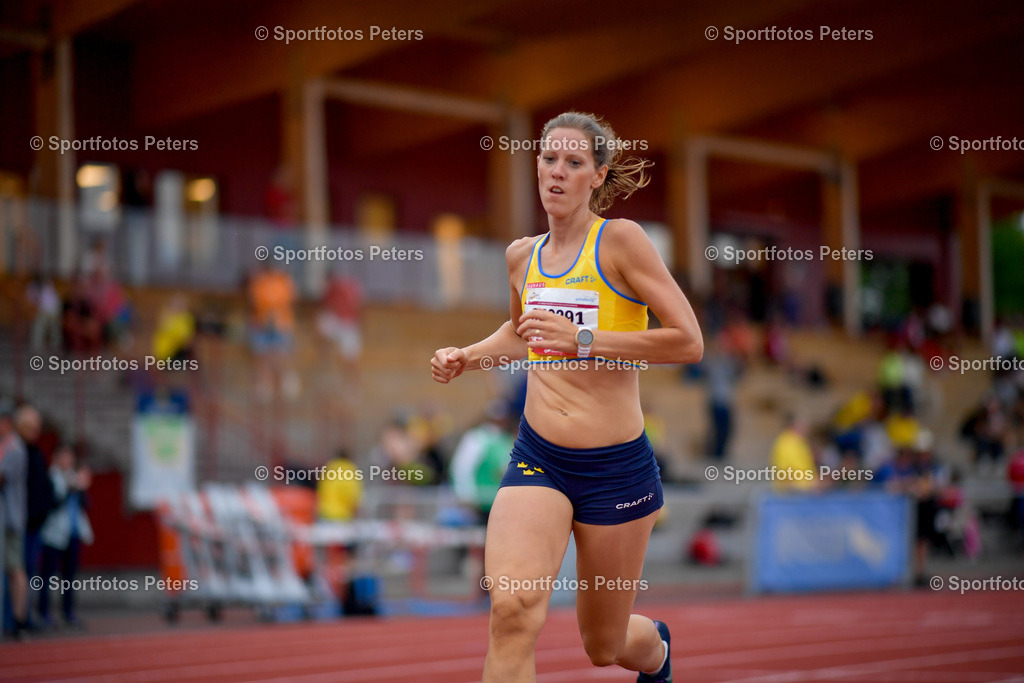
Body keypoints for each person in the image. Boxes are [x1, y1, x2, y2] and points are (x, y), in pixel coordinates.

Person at [431, 111, 702, 682]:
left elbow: (688, 341)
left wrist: (581, 338)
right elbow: (520, 333)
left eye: (573, 162)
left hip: (615, 469)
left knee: (604, 645)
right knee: (511, 612)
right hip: (540, 458)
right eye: (549, 159)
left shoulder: (621, 242)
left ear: (597, 175)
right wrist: (467, 356)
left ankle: (655, 650)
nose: (557, 171)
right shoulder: (521, 256)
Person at [38, 445, 93, 629]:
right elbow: (51, 504)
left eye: (70, 457)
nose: (67, 460)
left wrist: (81, 488)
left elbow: (86, 504)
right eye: (64, 456)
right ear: (56, 458)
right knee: (47, 575)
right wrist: (70, 489)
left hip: (73, 532)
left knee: (69, 577)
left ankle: (68, 612)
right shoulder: (50, 477)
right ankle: (43, 612)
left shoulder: (74, 477)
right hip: (53, 534)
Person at [1, 405, 39, 639]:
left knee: (16, 569)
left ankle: (18, 618)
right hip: (10, 517)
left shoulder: (14, 448)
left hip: (11, 518)